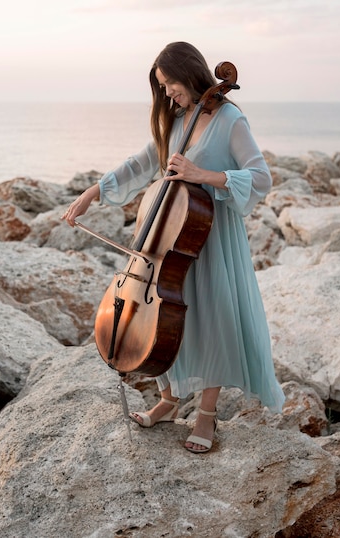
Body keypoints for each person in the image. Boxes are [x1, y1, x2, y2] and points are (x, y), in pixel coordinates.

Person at [62, 41, 285, 453]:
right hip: (167, 235)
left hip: (209, 234)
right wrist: (95, 191)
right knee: (165, 314)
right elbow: (141, 163)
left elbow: (260, 177)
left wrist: (203, 174)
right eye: (161, 87)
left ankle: (206, 415)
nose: (166, 93)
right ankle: (168, 400)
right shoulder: (180, 119)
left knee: (213, 318)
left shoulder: (231, 119)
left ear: (190, 73)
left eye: (169, 84)